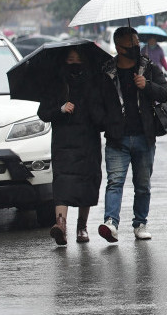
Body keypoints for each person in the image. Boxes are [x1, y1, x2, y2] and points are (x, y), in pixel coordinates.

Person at [97, 26, 167, 243]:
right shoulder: (107, 72)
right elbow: (98, 102)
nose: (136, 46)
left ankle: (140, 223)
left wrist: (146, 85)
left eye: (137, 42)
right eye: (131, 42)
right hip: (117, 138)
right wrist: (106, 123)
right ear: (119, 47)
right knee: (115, 182)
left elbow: (165, 93)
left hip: (144, 136)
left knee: (143, 185)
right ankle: (111, 223)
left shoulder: (147, 67)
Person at [36, 47, 104, 246]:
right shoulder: (55, 83)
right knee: (63, 182)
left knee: (87, 182)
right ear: (63, 61)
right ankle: (61, 226)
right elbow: (44, 113)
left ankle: (81, 227)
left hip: (88, 141)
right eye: (70, 59)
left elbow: (101, 110)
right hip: (63, 142)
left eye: (78, 58)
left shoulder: (94, 81)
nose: (74, 63)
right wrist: (61, 108)